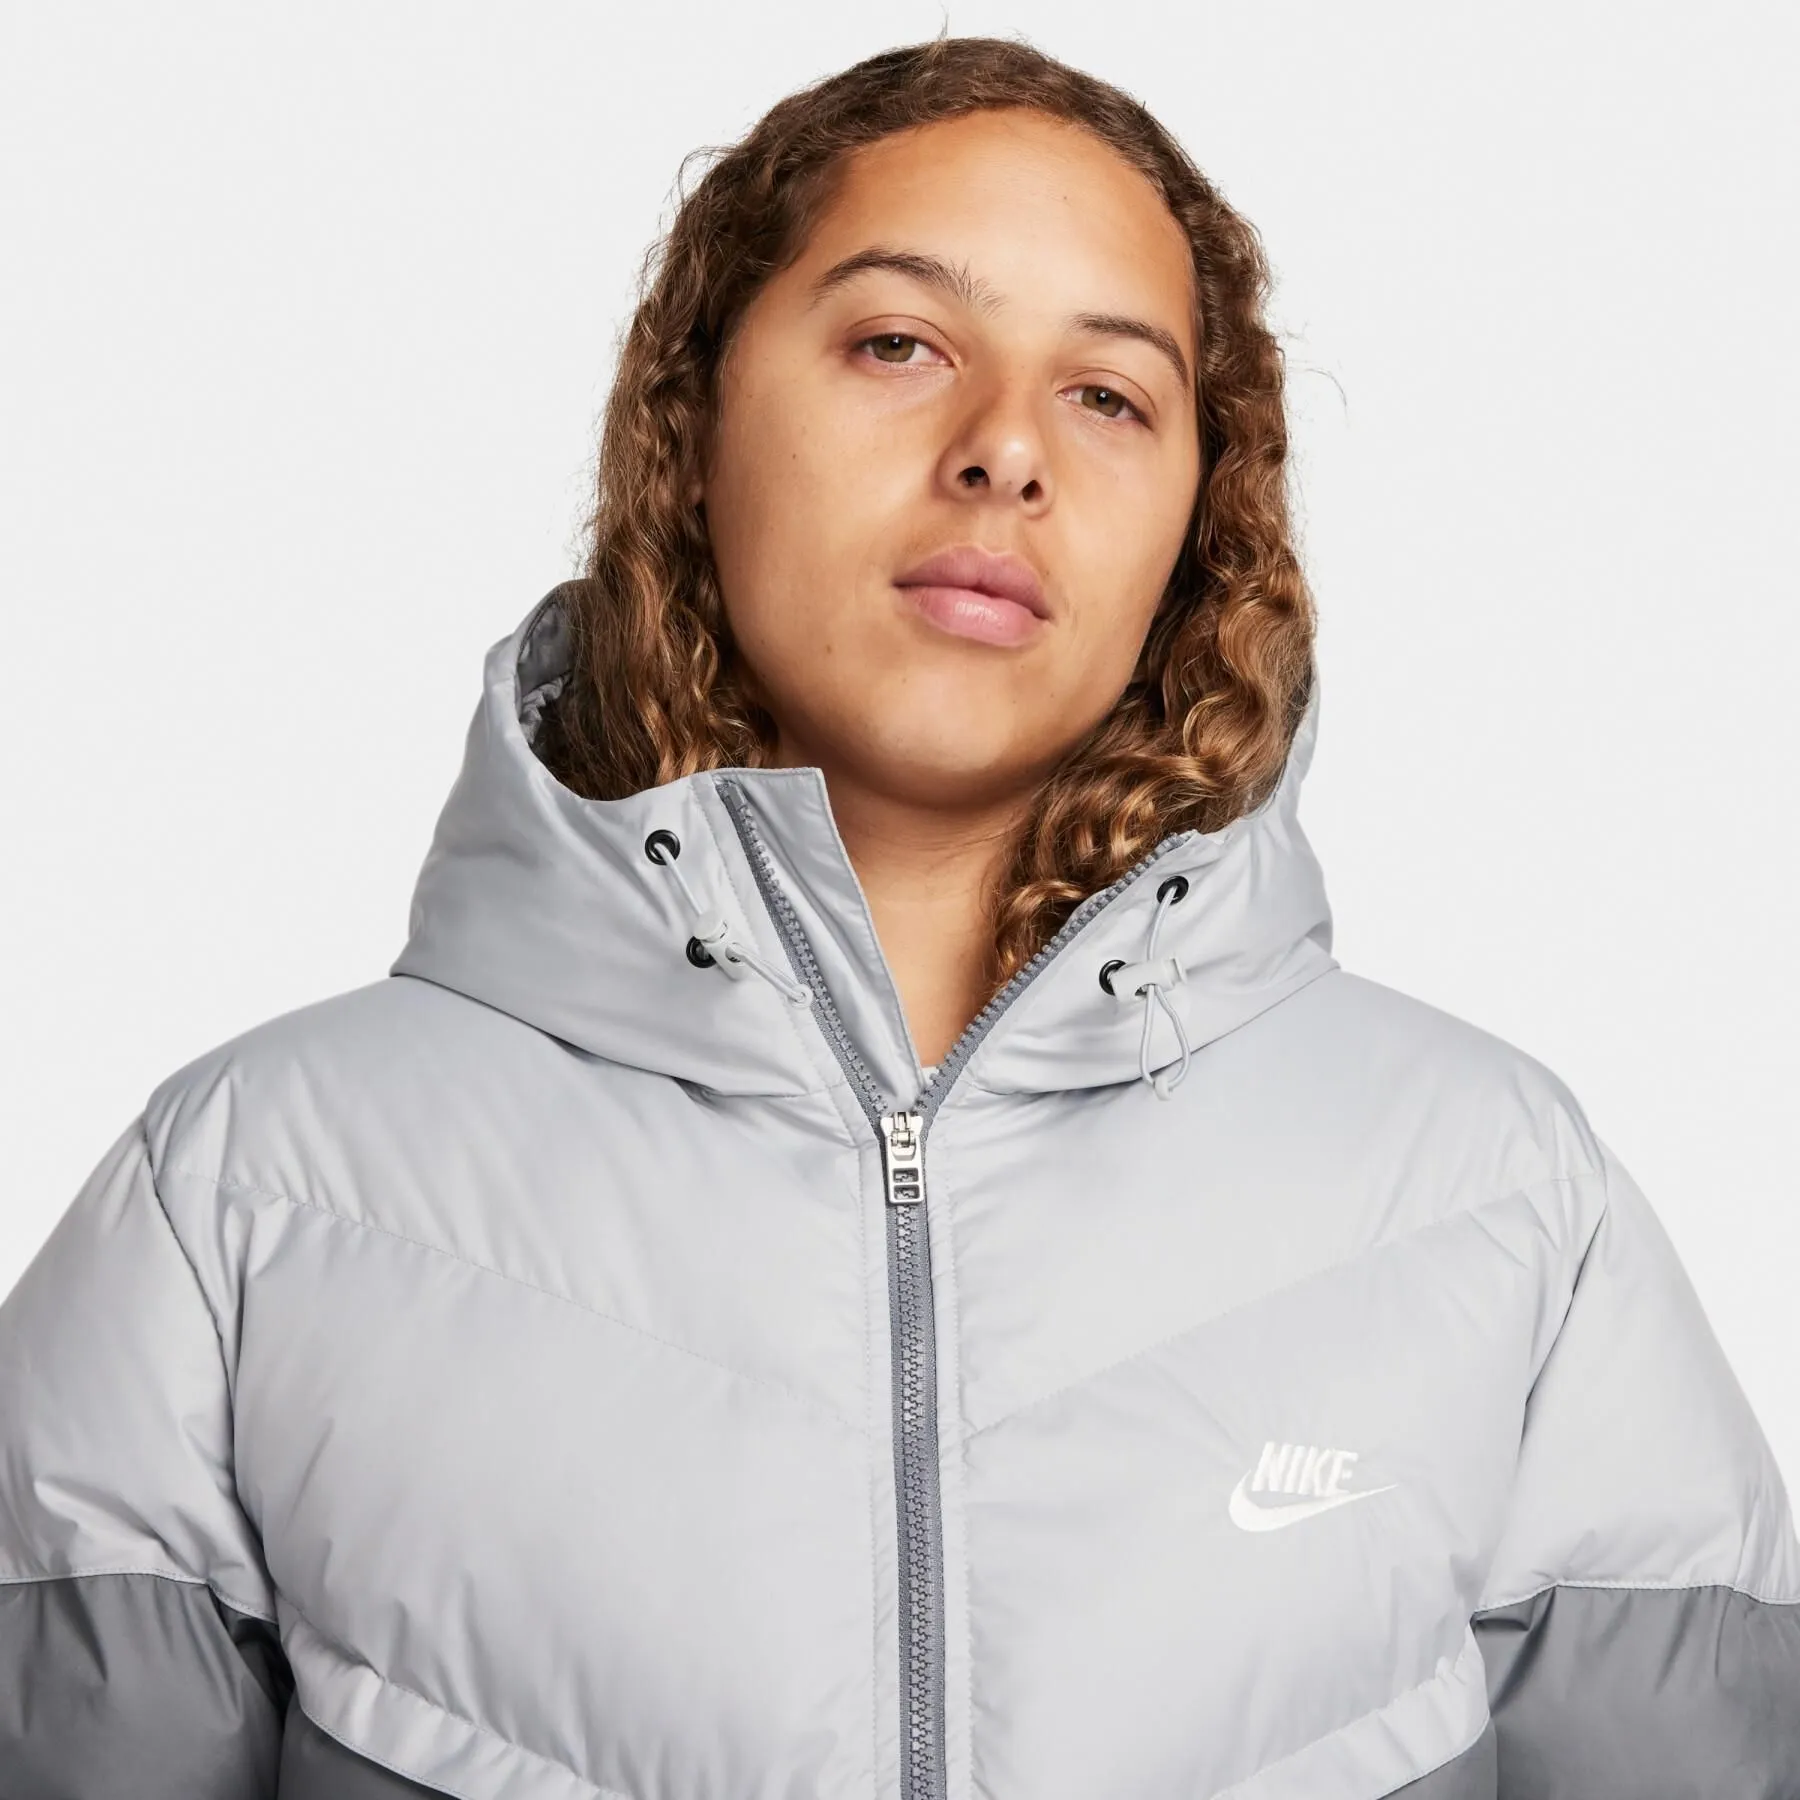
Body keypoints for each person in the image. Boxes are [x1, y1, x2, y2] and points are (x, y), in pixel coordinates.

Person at [1, 32, 1794, 1800]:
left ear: (1200, 523)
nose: (1005, 449)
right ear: (692, 419)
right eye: (899, 343)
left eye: (1110, 394)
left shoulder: (1502, 1203)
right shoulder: (237, 1204)